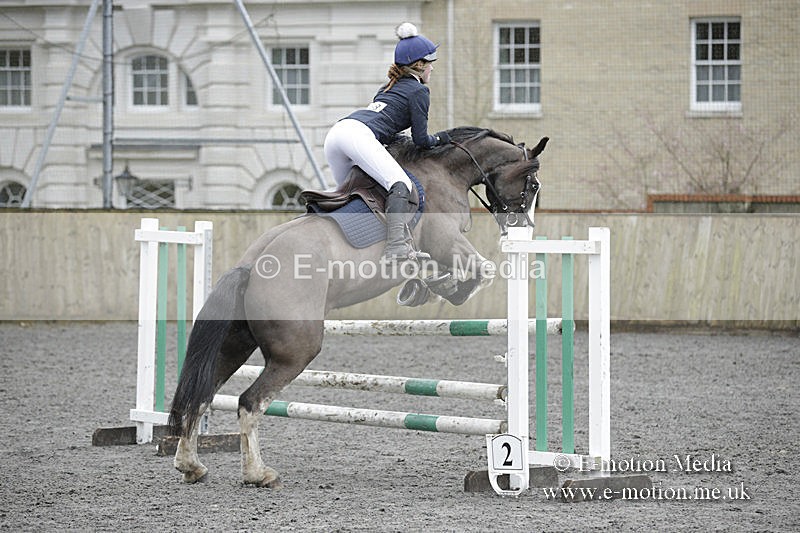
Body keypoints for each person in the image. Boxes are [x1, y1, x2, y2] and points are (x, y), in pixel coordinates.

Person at [323, 22, 451, 261]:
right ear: (419, 65)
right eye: (430, 63)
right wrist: (441, 138)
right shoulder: (419, 91)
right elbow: (422, 140)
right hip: (357, 135)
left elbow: (388, 128)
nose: (432, 69)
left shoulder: (388, 87)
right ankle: (395, 248)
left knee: (351, 193)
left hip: (337, 134)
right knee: (399, 183)